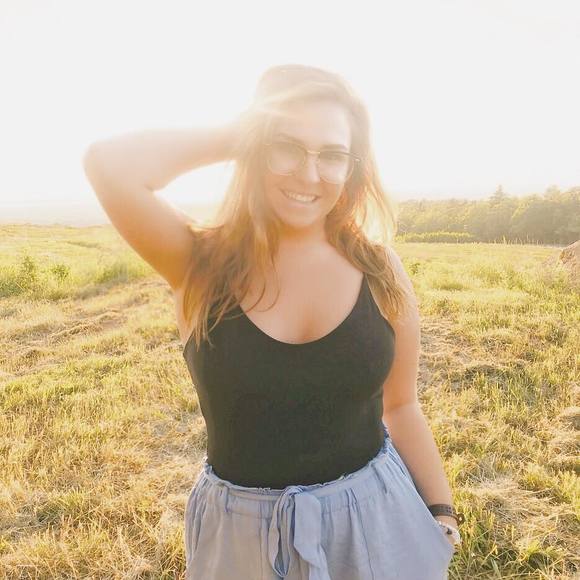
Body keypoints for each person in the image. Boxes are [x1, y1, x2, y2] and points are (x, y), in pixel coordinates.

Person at [83, 63, 464, 580]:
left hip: (375, 521)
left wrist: (442, 513)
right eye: (286, 147)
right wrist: (240, 134)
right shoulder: (197, 264)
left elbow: (402, 406)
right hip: (241, 541)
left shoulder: (379, 267)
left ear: (352, 167)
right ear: (255, 148)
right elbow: (107, 164)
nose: (309, 174)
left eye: (332, 155)